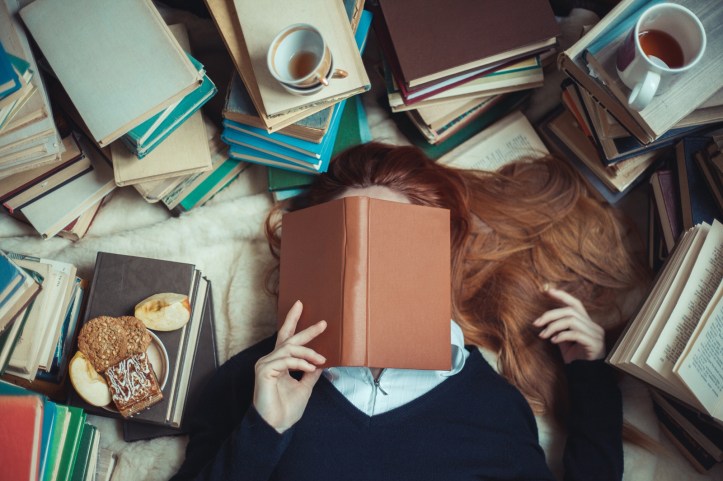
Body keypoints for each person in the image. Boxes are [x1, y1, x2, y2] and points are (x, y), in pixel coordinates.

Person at [171, 143, 648, 481]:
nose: (367, 276)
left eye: (393, 246)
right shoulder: (251, 384)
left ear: (439, 258)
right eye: (348, 252)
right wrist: (264, 430)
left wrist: (591, 379)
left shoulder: (494, 409)